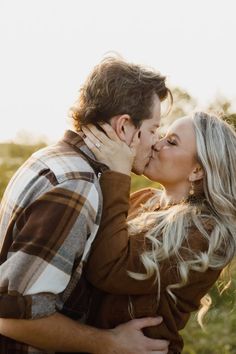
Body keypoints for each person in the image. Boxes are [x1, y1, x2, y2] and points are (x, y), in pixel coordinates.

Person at [0, 56, 172, 354]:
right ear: (124, 127)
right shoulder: (77, 185)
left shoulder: (52, 156)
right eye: (154, 129)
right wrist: (110, 343)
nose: (156, 141)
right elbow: (12, 317)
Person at [81, 112, 236, 354]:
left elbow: (108, 269)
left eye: (171, 142)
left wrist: (118, 174)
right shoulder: (145, 198)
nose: (156, 144)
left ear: (197, 170)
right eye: (162, 136)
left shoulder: (204, 233)